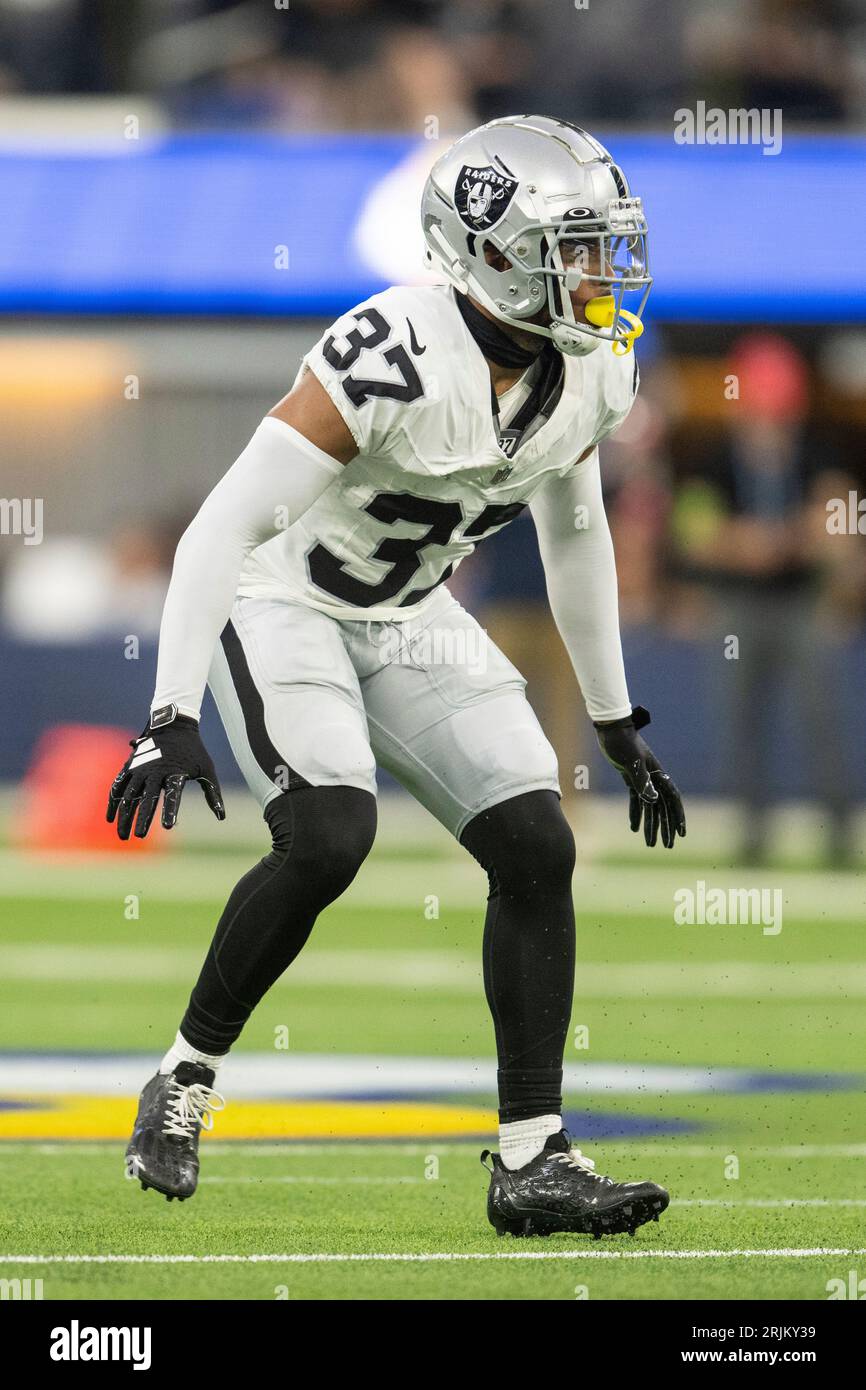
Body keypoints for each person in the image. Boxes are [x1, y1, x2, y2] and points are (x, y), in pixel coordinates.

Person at [110, 116, 684, 1239]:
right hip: (281, 598)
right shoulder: (391, 349)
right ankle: (182, 1078)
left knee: (534, 841)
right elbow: (219, 528)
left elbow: (575, 531)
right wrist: (167, 713)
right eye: (572, 246)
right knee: (328, 833)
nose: (599, 272)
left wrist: (613, 719)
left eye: (603, 245)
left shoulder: (591, 366)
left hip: (405, 611)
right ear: (487, 250)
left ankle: (530, 1157)